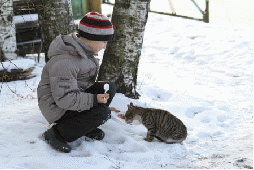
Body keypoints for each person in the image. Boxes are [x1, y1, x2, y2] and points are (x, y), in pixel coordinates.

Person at [37, 12, 115, 153]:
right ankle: (57, 133)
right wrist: (94, 99)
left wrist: (95, 98)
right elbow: (64, 99)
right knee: (101, 112)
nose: (105, 46)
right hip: (57, 107)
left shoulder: (83, 51)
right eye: (104, 41)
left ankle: (82, 126)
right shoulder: (65, 61)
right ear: (93, 38)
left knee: (108, 88)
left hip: (70, 99)